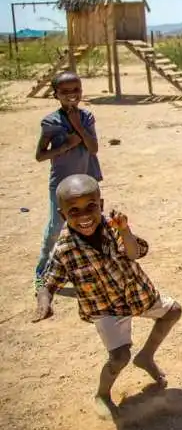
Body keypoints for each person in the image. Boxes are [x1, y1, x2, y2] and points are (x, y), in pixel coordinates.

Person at [32, 174, 182, 419]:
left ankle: (146, 357)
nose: (84, 216)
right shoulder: (64, 250)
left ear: (100, 205)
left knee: (173, 311)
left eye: (91, 207)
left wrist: (125, 231)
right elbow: (48, 282)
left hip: (137, 294)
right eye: (74, 211)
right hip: (106, 308)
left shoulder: (114, 229)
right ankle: (102, 394)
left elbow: (134, 253)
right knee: (119, 356)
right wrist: (44, 302)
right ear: (62, 215)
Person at [34, 71, 102, 293]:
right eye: (65, 92)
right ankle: (42, 273)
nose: (72, 95)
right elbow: (40, 155)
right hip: (62, 185)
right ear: (56, 94)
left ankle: (86, 271)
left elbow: (93, 148)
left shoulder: (86, 118)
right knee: (56, 227)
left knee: (91, 226)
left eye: (76, 90)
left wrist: (78, 127)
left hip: (87, 182)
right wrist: (65, 146)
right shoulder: (51, 122)